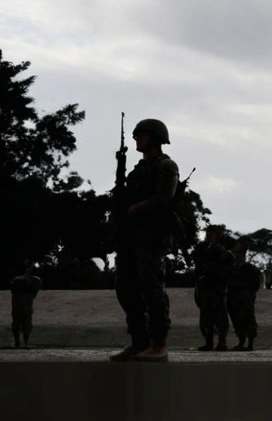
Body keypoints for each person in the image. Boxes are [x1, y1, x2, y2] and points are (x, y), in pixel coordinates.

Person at [109, 118, 179, 363]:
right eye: (136, 135)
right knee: (125, 288)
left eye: (142, 135)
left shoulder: (166, 166)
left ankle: (159, 342)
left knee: (151, 288)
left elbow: (164, 198)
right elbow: (123, 196)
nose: (137, 139)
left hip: (152, 236)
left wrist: (138, 207)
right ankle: (139, 341)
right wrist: (120, 170)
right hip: (131, 235)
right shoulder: (137, 169)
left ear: (155, 138)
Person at [193, 225, 235, 351]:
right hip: (207, 287)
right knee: (207, 317)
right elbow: (199, 266)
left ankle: (221, 342)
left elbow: (227, 267)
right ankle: (209, 342)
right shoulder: (206, 249)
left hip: (217, 287)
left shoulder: (224, 252)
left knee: (220, 316)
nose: (212, 236)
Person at [227, 237, 263, 351]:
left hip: (244, 295)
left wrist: (249, 292)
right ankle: (242, 341)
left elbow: (255, 282)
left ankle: (249, 342)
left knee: (247, 318)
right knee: (237, 319)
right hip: (234, 294)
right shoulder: (231, 268)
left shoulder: (248, 268)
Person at [9, 264, 43, 349]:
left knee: (23, 323)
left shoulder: (19, 280)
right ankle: (20, 341)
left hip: (21, 303)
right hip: (22, 304)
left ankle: (22, 342)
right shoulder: (21, 280)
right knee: (21, 323)